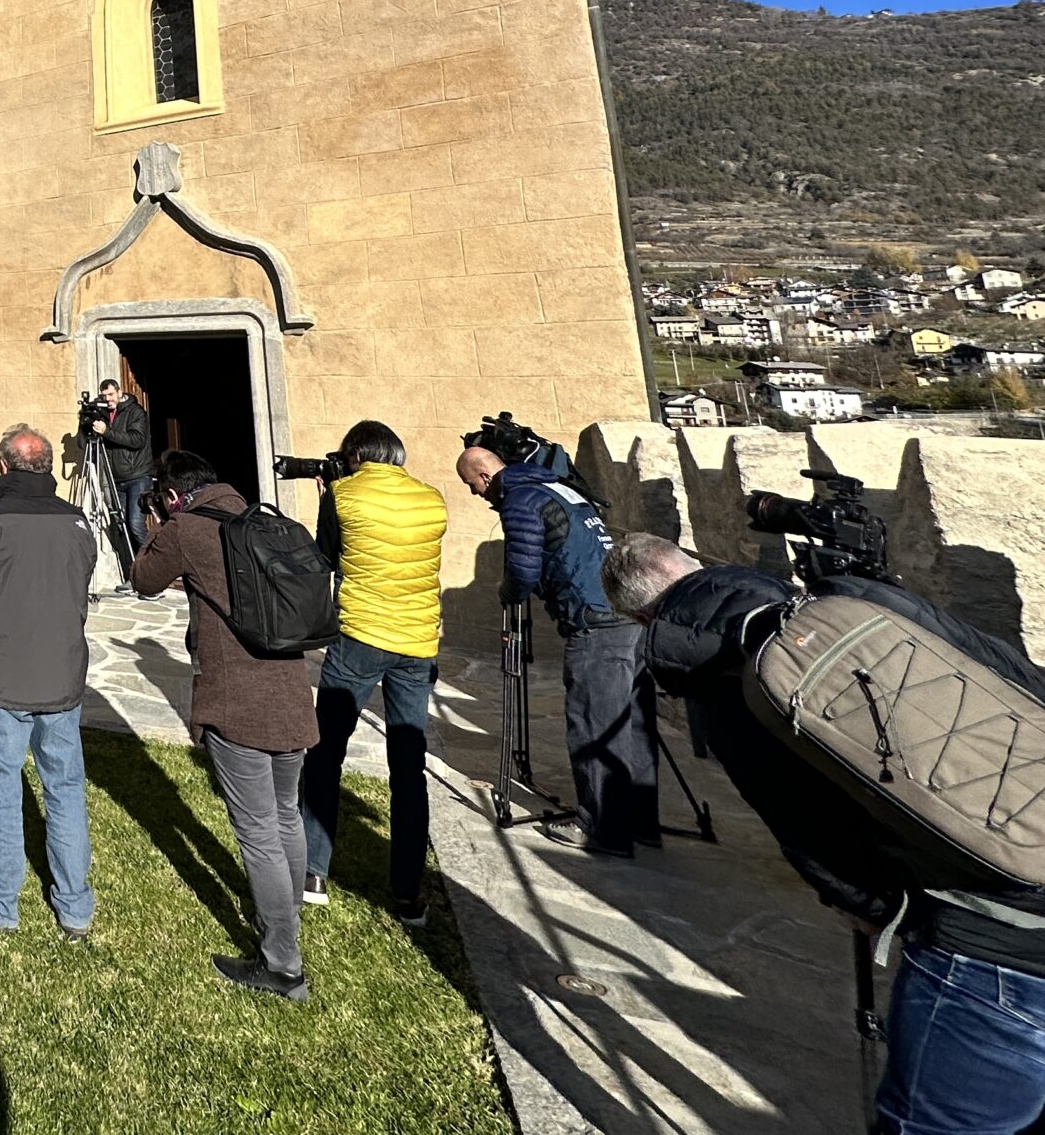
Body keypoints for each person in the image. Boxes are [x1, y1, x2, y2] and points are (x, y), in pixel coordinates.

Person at [605, 533, 1045, 1135]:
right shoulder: (849, 599)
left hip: (997, 937)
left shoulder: (733, 671)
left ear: (638, 618)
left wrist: (875, 909)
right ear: (695, 564)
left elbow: (805, 827)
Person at [130, 448, 319, 1000]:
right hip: (289, 691)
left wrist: (156, 526)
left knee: (257, 830)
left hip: (236, 699)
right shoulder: (268, 518)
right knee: (285, 814)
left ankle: (283, 964)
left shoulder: (185, 528)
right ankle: (290, 920)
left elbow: (143, 579)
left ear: (170, 494)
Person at [459, 441, 657, 857]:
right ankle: (640, 823)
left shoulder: (520, 499)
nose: (474, 495)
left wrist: (508, 593)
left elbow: (524, 567)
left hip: (594, 622)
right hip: (627, 612)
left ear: (484, 475)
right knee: (632, 724)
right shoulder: (561, 488)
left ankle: (603, 829)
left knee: (594, 725)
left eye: (471, 485)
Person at [0, 422, 99, 941]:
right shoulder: (77, 522)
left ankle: (0, 902)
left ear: (4, 466)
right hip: (58, 673)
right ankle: (73, 907)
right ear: (47, 467)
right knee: (65, 788)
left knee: (0, 789)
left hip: (2, 674)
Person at [296, 419, 447, 926]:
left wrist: (326, 496)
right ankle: (408, 892)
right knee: (408, 765)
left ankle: (314, 871)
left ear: (355, 454)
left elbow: (327, 558)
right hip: (418, 641)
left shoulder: (343, 495)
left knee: (325, 752)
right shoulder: (431, 499)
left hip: (361, 635)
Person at [86, 377, 154, 558]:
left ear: (119, 392)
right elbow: (83, 443)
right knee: (121, 526)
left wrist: (107, 432)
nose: (108, 399)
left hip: (137, 476)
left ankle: (153, 564)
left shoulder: (135, 412)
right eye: (104, 395)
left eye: (110, 394)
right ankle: (132, 572)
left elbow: (137, 440)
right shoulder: (103, 414)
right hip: (115, 479)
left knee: (135, 524)